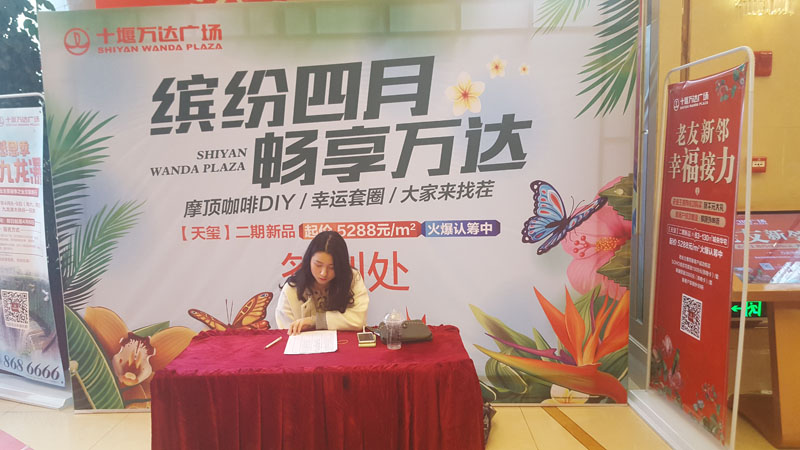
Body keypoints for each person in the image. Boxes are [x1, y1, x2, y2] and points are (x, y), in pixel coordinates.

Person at [275, 231, 369, 335]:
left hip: (343, 342)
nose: (324, 273)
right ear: (309, 260)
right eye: (318, 265)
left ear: (341, 266)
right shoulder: (292, 289)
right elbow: (286, 332)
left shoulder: (352, 279)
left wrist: (315, 321)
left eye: (332, 267)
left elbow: (358, 320)